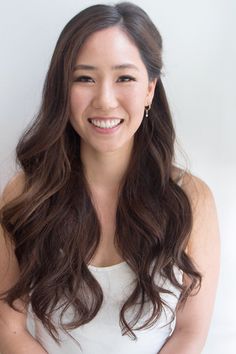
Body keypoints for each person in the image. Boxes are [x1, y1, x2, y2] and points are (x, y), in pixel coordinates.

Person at [0, 2, 220, 354]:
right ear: (63, 88)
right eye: (85, 78)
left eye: (125, 78)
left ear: (150, 89)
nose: (104, 100)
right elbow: (7, 327)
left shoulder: (192, 198)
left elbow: (190, 333)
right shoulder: (25, 194)